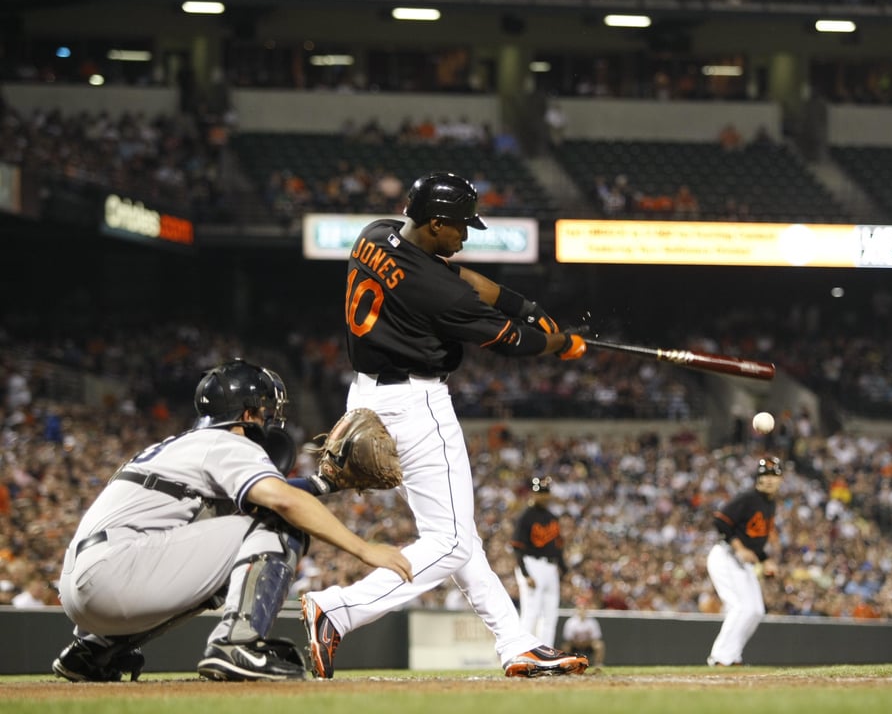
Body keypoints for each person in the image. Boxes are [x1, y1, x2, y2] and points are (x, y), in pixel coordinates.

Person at [300, 171, 589, 679]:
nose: (465, 236)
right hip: (415, 403)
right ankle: (339, 610)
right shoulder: (438, 294)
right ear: (434, 223)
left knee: (455, 534)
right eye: (459, 227)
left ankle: (516, 642)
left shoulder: (376, 232)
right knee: (451, 541)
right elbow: (513, 343)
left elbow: (461, 278)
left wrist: (525, 306)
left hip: (367, 393)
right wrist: (560, 343)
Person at [51, 359, 412, 683]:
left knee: (239, 552)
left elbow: (243, 504)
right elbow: (283, 501)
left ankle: (95, 651)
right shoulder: (227, 443)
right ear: (248, 413)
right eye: (265, 409)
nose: (269, 418)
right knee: (282, 525)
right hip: (118, 571)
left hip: (84, 584)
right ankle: (237, 643)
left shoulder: (187, 445)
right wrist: (365, 550)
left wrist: (326, 483)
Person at [705, 456, 783, 667]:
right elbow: (720, 521)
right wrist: (739, 547)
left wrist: (765, 560)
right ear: (757, 478)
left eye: (773, 475)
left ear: (780, 480)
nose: (768, 480)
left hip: (742, 561)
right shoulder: (748, 497)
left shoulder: (770, 504)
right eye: (764, 475)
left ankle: (733, 656)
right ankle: (720, 657)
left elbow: (756, 541)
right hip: (725, 555)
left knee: (756, 609)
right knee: (740, 607)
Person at [511, 475, 568, 647]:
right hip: (531, 564)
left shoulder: (552, 517)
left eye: (545, 493)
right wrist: (525, 573)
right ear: (532, 494)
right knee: (531, 612)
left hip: (550, 568)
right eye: (539, 493)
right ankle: (524, 652)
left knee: (550, 615)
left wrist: (565, 570)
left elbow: (557, 547)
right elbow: (517, 547)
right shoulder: (526, 516)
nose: (542, 496)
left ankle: (546, 652)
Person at [561, 599, 605, 670]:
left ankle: (598, 664)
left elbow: (596, 638)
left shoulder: (592, 622)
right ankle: (567, 664)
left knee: (599, 645)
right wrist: (577, 643)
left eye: (584, 609)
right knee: (566, 646)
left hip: (588, 644)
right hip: (575, 644)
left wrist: (585, 643)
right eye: (580, 609)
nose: (582, 611)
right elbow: (568, 638)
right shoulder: (571, 622)